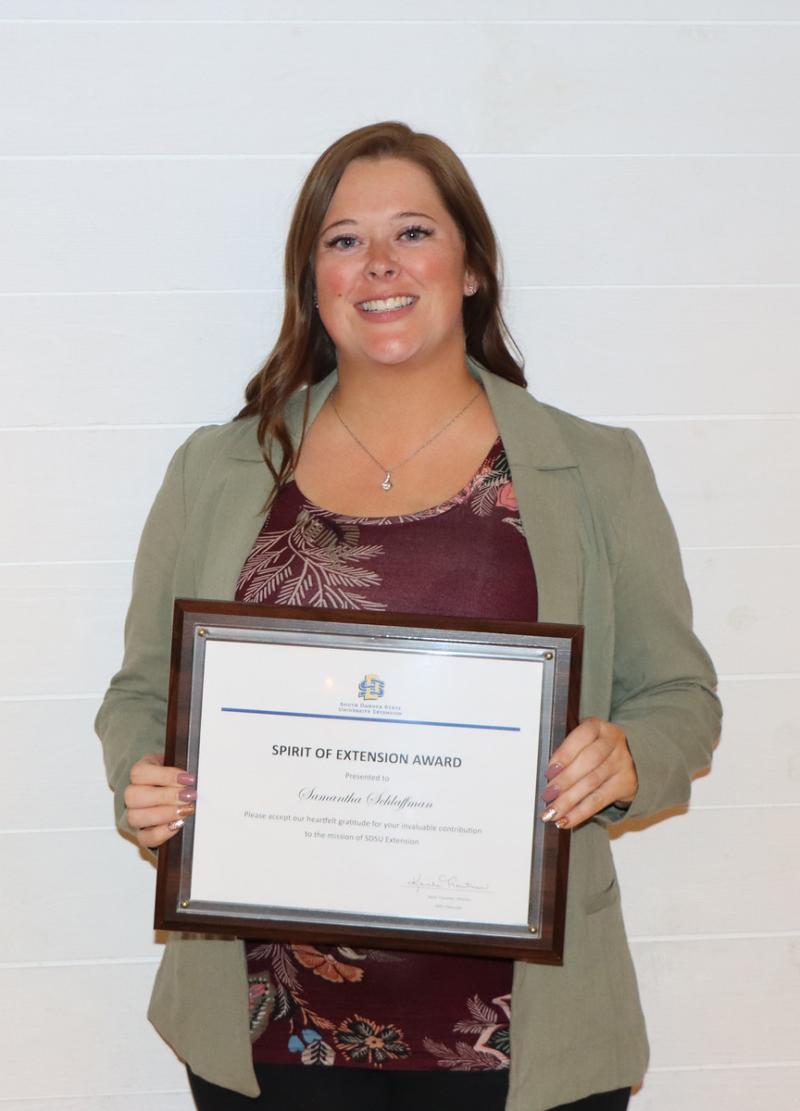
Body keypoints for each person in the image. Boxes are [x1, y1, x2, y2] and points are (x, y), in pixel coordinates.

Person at [96, 122, 721, 1111]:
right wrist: (144, 778)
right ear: (312, 279)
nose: (378, 263)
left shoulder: (594, 469)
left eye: (413, 232)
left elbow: (679, 695)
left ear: (470, 266)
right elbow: (139, 692)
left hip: (521, 1038)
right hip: (268, 1034)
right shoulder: (215, 470)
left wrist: (628, 754)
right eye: (343, 239)